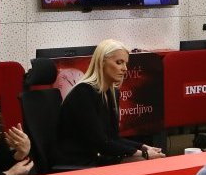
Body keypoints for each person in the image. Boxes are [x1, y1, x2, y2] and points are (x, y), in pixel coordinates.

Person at [55, 39, 164, 167]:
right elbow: (100, 143)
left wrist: (143, 147)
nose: (124, 69)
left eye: (125, 63)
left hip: (96, 158)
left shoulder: (111, 92)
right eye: (119, 62)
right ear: (102, 62)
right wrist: (143, 154)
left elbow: (113, 138)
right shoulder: (83, 92)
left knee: (149, 160)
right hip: (76, 163)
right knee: (143, 162)